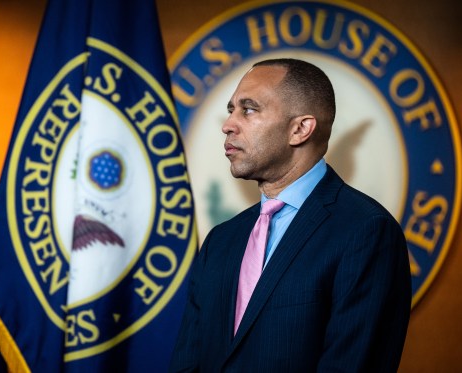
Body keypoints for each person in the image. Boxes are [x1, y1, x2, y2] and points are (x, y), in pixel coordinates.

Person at [169, 58, 411, 372]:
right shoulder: (220, 240)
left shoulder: (366, 232)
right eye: (231, 110)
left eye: (249, 109)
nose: (228, 125)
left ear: (299, 129)